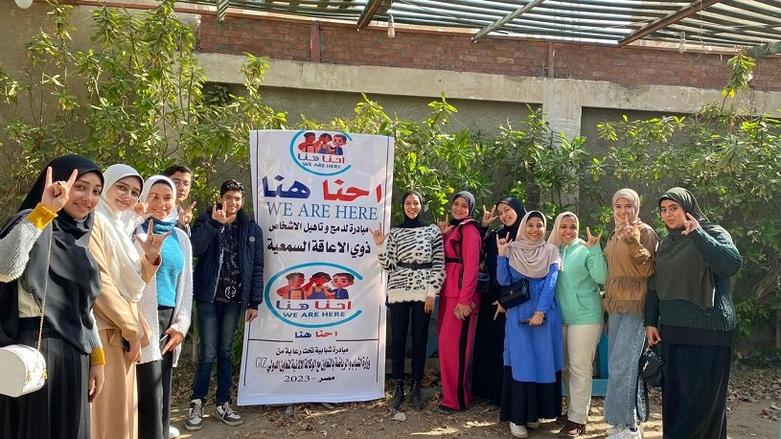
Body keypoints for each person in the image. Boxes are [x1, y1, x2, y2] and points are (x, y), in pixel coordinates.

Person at [0, 154, 105, 439]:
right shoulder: (29, 221)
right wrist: (43, 213)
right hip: (36, 349)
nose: (88, 198)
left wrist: (97, 357)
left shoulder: (79, 239)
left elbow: (84, 308)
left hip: (75, 355)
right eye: (80, 187)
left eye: (96, 191)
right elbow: (5, 269)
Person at [645, 188, 741, 439]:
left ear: (688, 208)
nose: (668, 215)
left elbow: (731, 264)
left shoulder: (712, 232)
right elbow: (655, 285)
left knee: (704, 406)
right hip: (674, 333)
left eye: (673, 208)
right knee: (676, 403)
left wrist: (697, 234)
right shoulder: (666, 244)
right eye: (664, 210)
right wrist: (650, 322)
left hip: (710, 332)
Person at [89, 164, 167, 439]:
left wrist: (150, 257)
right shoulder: (95, 222)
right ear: (106, 186)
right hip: (107, 330)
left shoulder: (118, 227)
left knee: (123, 416)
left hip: (122, 330)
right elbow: (101, 285)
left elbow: (134, 283)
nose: (128, 196)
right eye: (121, 187)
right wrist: (132, 331)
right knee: (109, 417)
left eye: (135, 192)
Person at [185, 179, 262, 431]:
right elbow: (194, 248)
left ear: (243, 201)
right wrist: (215, 225)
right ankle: (196, 403)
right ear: (220, 197)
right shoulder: (205, 221)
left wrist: (254, 301)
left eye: (237, 198)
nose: (233, 203)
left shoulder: (250, 228)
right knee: (208, 354)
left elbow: (257, 266)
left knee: (226, 352)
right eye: (228, 197)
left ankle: (222, 404)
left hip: (235, 300)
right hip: (208, 297)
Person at [373, 191, 445, 410]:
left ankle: (415, 387)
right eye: (408, 203)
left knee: (420, 338)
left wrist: (432, 292)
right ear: (402, 206)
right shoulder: (395, 232)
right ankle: (398, 388)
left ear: (421, 206)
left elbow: (439, 263)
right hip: (398, 289)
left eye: (415, 203)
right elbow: (389, 266)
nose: (411, 206)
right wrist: (379, 246)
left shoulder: (432, 231)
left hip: (423, 291)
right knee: (398, 339)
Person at [495, 210, 563, 439]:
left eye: (539, 225)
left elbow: (551, 283)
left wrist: (540, 312)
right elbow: (504, 281)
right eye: (530, 225)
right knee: (522, 362)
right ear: (523, 226)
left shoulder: (551, 251)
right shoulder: (513, 249)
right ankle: (517, 417)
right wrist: (502, 255)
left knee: (542, 361)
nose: (535, 230)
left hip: (544, 313)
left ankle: (534, 414)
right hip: (518, 312)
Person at [136, 176, 193, 439]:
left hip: (169, 320)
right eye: (154, 196)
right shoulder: (133, 231)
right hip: (140, 320)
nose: (160, 203)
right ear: (144, 197)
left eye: (167, 197)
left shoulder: (180, 237)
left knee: (162, 386)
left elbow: (186, 284)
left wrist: (181, 325)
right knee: (144, 388)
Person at [603, 188, 658, 439]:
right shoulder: (614, 235)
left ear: (636, 208)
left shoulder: (645, 232)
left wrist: (633, 242)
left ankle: (629, 426)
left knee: (623, 366)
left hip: (636, 306)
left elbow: (649, 269)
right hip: (616, 307)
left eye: (628, 206)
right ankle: (623, 420)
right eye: (618, 206)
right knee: (620, 366)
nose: (623, 211)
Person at [548, 212, 606, 438]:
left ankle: (577, 419)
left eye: (573, 226)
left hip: (586, 317)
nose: (568, 231)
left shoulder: (585, 248)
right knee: (566, 368)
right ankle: (575, 410)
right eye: (563, 226)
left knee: (580, 368)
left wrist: (595, 250)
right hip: (561, 317)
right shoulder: (554, 250)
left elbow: (602, 277)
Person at [472, 198, 525, 406]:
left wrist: (507, 300)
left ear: (518, 210)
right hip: (492, 298)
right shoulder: (497, 235)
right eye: (501, 212)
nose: (504, 215)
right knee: (493, 344)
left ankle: (510, 395)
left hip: (517, 299)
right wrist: (484, 225)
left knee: (511, 347)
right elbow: (478, 249)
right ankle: (492, 392)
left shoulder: (527, 234)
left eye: (508, 210)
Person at [436, 191, 481, 412]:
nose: (459, 208)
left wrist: (465, 300)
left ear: (471, 209)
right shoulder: (455, 228)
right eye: (456, 204)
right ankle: (451, 395)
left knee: (454, 349)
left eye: (465, 205)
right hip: (447, 291)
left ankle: (457, 400)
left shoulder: (470, 230)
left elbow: (471, 267)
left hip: (460, 296)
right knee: (446, 347)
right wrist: (444, 235)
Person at [162, 165, 196, 236]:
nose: (182, 188)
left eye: (186, 184)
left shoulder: (182, 214)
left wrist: (184, 225)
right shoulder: (156, 210)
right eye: (176, 182)